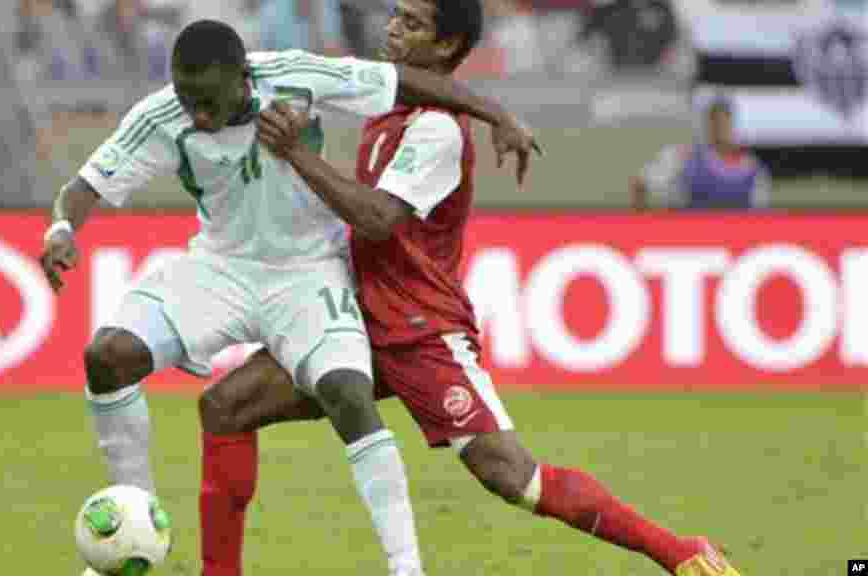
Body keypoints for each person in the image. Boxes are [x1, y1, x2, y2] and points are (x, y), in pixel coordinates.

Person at [196, 2, 744, 576]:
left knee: (512, 476)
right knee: (226, 406)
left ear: (447, 46)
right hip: (355, 317)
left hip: (418, 333)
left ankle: (678, 551)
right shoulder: (389, 102)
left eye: (412, 23)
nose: (392, 28)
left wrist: (296, 154)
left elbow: (379, 218)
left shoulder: (434, 130)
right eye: (395, 14)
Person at [37, 18, 537, 576]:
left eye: (208, 102)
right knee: (107, 356)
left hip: (310, 272)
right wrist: (61, 231)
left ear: (242, 77)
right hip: (219, 268)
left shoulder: (296, 75)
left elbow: (405, 82)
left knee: (348, 392)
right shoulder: (161, 115)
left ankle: (406, 569)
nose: (197, 116)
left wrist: (496, 114)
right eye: (187, 100)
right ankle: (137, 519)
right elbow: (84, 187)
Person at [632, 96, 770, 210]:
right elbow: (641, 184)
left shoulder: (753, 169)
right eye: (716, 121)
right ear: (708, 123)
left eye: (726, 121)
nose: (722, 127)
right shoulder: (683, 156)